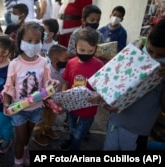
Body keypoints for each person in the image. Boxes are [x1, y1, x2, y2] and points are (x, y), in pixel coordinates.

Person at [102, 19, 165, 151]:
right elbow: (114, 82)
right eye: (150, 51)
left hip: (138, 130)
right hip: (116, 120)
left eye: (160, 55)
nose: (153, 57)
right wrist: (106, 98)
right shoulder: (135, 51)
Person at [2, 21, 58, 167]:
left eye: (37, 41)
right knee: (20, 138)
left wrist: (52, 85)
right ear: (20, 40)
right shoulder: (14, 63)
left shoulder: (44, 62)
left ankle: (26, 149)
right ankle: (18, 161)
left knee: (27, 136)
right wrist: (6, 103)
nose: (33, 44)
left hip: (36, 108)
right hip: (18, 108)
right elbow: (9, 85)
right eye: (29, 40)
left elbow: (47, 81)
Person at [59, 27, 104, 151]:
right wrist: (63, 94)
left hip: (89, 106)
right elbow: (67, 81)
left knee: (80, 133)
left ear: (96, 48)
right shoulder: (71, 63)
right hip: (72, 104)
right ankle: (70, 139)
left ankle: (74, 147)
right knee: (71, 126)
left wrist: (99, 94)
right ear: (75, 46)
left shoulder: (99, 64)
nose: (86, 53)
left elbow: (104, 86)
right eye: (82, 50)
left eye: (91, 50)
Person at [33, 44, 69, 146]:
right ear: (55, 59)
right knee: (42, 119)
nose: (67, 60)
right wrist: (43, 99)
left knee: (52, 117)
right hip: (44, 101)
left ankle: (48, 129)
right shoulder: (46, 70)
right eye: (65, 58)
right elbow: (39, 86)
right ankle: (38, 135)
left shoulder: (64, 69)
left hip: (56, 100)